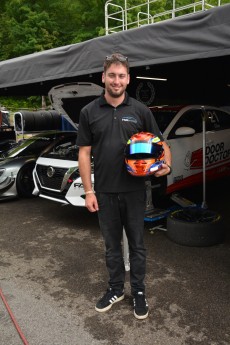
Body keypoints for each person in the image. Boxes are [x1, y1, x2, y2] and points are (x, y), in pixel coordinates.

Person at [77, 53, 172, 320]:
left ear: (128, 79)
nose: (116, 81)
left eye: (121, 76)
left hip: (134, 190)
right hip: (104, 192)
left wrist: (166, 165)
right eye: (112, 75)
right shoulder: (89, 112)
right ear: (103, 77)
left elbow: (161, 145)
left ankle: (139, 292)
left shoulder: (140, 111)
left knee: (137, 244)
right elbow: (84, 153)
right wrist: (88, 191)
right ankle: (116, 289)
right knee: (111, 246)